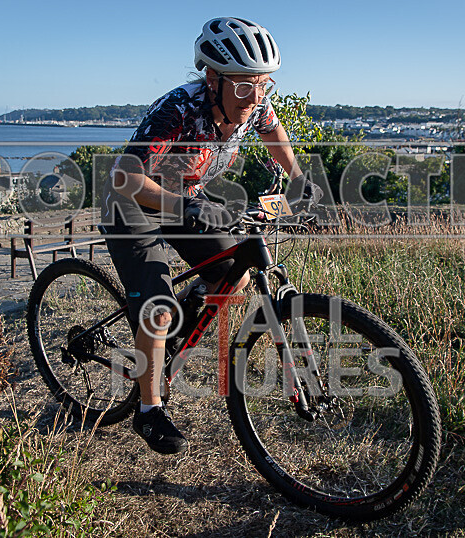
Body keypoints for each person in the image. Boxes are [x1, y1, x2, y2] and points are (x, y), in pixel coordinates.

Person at [100, 17, 321, 455]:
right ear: (212, 78)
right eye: (242, 86)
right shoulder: (179, 110)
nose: (254, 97)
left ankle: (173, 330)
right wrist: (186, 206)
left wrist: (296, 177)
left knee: (234, 273)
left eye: (262, 85)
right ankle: (149, 410)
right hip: (133, 204)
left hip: (183, 199)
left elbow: (273, 130)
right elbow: (126, 177)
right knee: (158, 310)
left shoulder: (252, 102)